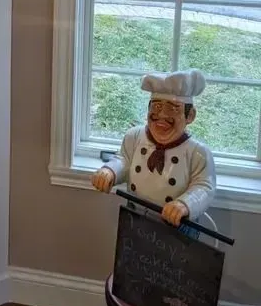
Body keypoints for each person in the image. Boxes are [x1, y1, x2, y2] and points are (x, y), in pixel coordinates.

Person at [92, 70, 216, 228]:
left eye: (173, 108)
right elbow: (124, 160)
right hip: (135, 216)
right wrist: (110, 171)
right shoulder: (134, 136)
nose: (162, 115)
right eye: (157, 106)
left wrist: (185, 204)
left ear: (190, 116)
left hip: (175, 227)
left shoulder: (198, 152)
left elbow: (204, 187)